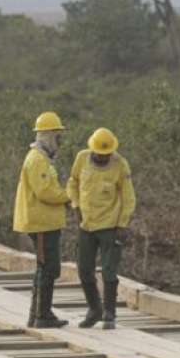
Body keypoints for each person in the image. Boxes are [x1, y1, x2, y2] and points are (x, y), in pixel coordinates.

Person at [67, 127, 136, 330]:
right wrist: (75, 204)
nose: (103, 157)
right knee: (84, 270)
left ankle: (109, 313)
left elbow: (128, 197)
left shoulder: (120, 164)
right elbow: (73, 183)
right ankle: (94, 309)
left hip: (110, 226)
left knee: (108, 271)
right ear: (92, 149)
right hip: (86, 225)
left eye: (107, 154)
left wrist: (123, 224)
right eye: (100, 153)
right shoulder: (81, 158)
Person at [13, 111, 71, 329]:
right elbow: (45, 191)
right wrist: (69, 196)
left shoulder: (43, 159)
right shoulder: (37, 160)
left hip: (46, 222)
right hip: (40, 223)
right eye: (58, 135)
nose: (60, 140)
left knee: (45, 267)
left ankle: (37, 314)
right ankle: (42, 315)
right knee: (48, 268)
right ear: (48, 135)